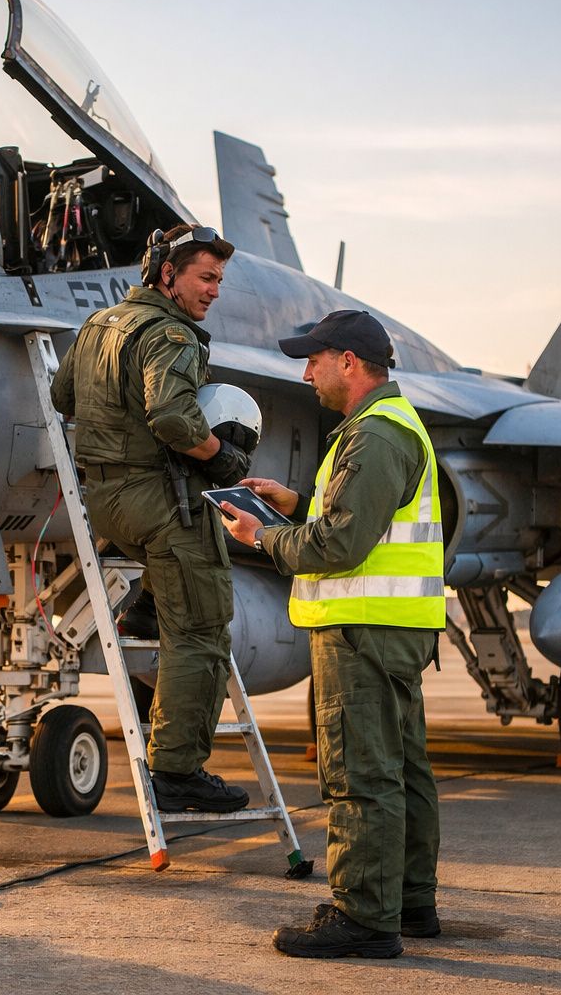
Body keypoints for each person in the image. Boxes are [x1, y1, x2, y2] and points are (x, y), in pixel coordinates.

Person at [219, 309, 444, 958]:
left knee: (360, 775)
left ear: (348, 361)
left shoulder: (374, 435)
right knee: (402, 770)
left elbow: (341, 543)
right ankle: (407, 903)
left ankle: (365, 919)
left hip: (363, 631)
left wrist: (260, 535)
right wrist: (295, 505)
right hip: (392, 628)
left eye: (313, 359)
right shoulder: (389, 429)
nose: (305, 372)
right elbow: (358, 519)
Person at [51, 223, 254, 813]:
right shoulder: (171, 334)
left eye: (219, 279)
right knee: (203, 630)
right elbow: (172, 418)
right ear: (168, 274)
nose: (215, 291)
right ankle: (178, 769)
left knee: (174, 601)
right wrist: (223, 457)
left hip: (108, 506)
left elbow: (64, 398)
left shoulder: (98, 325)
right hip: (163, 503)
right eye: (205, 278)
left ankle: (145, 609)